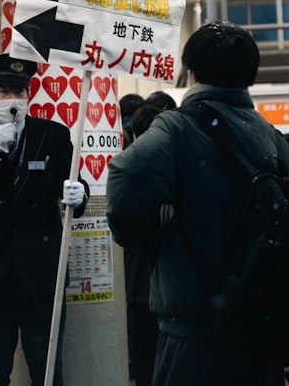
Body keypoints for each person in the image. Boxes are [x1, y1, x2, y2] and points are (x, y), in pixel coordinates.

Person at [106, 22, 289, 385]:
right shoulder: (271, 136)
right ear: (249, 75)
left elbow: (126, 178)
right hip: (258, 324)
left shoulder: (175, 128)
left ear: (191, 71)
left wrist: (145, 235)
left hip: (193, 332)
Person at [0, 53, 89, 386]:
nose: (12, 99)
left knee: (47, 367)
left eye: (19, 91)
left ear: (29, 95)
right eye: (3, 92)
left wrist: (78, 193)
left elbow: (73, 188)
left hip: (42, 271)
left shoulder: (52, 135)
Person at [120, 101, 167, 386]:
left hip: (138, 281)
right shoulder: (178, 166)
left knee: (144, 359)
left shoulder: (128, 169)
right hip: (174, 282)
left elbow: (121, 225)